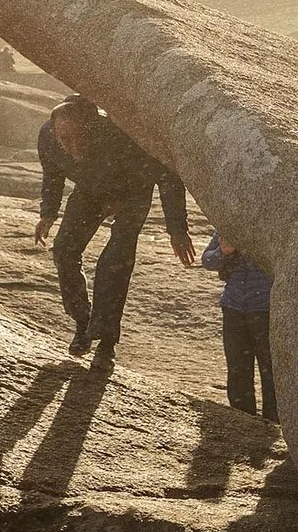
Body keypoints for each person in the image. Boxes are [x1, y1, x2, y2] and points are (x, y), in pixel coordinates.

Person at [34, 97, 195, 363]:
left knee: (115, 262)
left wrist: (176, 229)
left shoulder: (122, 135)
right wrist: (48, 214)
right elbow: (53, 173)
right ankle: (83, 322)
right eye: (64, 139)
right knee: (63, 248)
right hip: (90, 190)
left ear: (94, 127)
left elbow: (167, 176)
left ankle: (106, 340)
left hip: (133, 192)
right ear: (53, 130)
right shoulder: (48, 138)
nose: (72, 146)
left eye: (79, 138)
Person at [200, 231, 276, 422]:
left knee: (272, 372)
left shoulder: (274, 227)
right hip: (233, 308)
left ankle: (274, 422)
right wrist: (223, 251)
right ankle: (242, 422)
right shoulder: (232, 224)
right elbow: (207, 260)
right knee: (237, 369)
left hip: (266, 310)